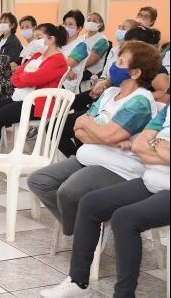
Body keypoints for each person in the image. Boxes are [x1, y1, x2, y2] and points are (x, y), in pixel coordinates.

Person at [28, 40, 160, 236]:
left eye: (121, 62)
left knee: (68, 192)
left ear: (136, 73)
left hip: (118, 166)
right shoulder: (110, 92)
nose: (114, 66)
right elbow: (78, 127)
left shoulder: (140, 101)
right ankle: (84, 228)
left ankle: (84, 233)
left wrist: (95, 128)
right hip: (90, 156)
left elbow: (95, 129)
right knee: (39, 180)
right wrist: (105, 136)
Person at [41, 105, 169, 298]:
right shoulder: (167, 109)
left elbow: (149, 146)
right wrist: (158, 148)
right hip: (152, 180)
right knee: (90, 203)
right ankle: (79, 283)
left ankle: (124, 295)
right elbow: (139, 145)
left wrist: (155, 144)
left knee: (124, 219)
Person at [0, 23, 69, 180]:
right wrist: (23, 79)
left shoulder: (58, 60)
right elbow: (15, 76)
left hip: (37, 104)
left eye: (38, 38)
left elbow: (36, 78)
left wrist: (24, 79)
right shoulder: (37, 56)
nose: (35, 41)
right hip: (19, 97)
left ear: (51, 39)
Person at [58, 26, 170, 158]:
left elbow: (163, 93)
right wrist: (103, 84)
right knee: (72, 113)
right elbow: (82, 130)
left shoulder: (142, 97)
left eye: (130, 43)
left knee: (71, 124)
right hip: (114, 98)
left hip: (122, 114)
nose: (125, 46)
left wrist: (88, 124)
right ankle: (81, 153)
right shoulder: (113, 88)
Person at [60, 9, 88, 92]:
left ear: (79, 28)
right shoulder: (59, 43)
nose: (66, 27)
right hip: (53, 80)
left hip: (65, 87)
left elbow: (65, 64)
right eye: (64, 24)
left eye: (70, 24)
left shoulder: (81, 46)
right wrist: (67, 70)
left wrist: (65, 68)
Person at [81, 12, 109, 84]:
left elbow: (91, 61)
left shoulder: (102, 41)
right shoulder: (81, 38)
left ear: (100, 25)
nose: (90, 22)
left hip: (91, 77)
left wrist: (73, 67)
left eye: (94, 21)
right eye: (89, 20)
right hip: (79, 72)